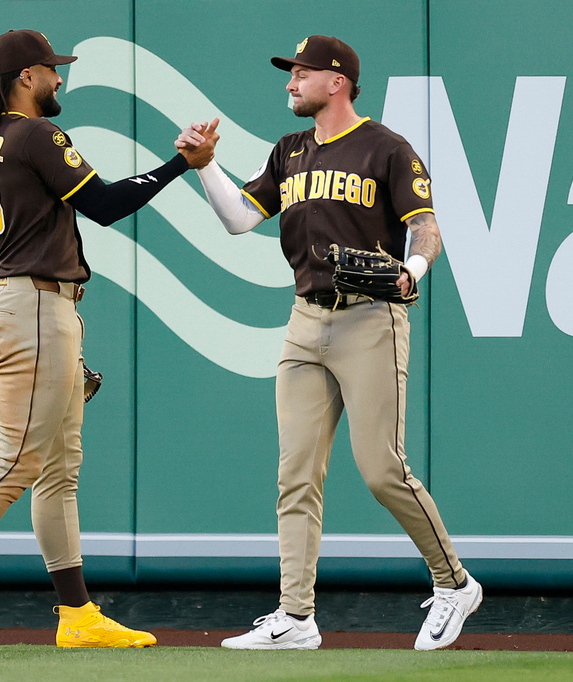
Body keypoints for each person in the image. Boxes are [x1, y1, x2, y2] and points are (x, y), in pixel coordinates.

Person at [0, 28, 216, 650]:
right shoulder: (36, 134)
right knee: (17, 461)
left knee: (58, 471)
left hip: (25, 301)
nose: (58, 78)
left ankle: (78, 615)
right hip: (37, 308)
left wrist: (46, 286)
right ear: (24, 78)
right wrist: (183, 163)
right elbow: (105, 204)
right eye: (50, 69)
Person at [176, 34, 481, 651]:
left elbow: (426, 226)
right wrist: (206, 164)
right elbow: (239, 219)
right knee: (295, 475)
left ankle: (454, 584)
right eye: (291, 74)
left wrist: (412, 271)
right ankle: (296, 617)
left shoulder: (386, 148)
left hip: (370, 318)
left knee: (382, 470)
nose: (290, 82)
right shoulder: (289, 150)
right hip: (304, 321)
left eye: (301, 73)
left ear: (336, 81)